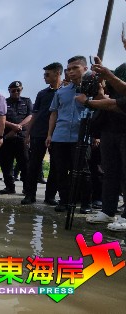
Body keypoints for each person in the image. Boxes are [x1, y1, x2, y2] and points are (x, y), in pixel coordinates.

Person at [84, 53, 126, 231]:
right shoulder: (121, 67)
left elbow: (119, 98)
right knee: (110, 171)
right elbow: (106, 93)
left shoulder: (116, 73)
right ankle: (108, 210)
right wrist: (101, 78)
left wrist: (89, 102)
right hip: (109, 128)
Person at [46, 56, 92, 214]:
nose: (71, 72)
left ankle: (86, 203)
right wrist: (50, 135)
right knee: (60, 170)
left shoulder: (92, 90)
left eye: (75, 68)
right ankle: (64, 201)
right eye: (69, 69)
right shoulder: (62, 92)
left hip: (81, 137)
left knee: (82, 171)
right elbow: (54, 114)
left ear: (85, 69)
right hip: (60, 136)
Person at [21, 62, 62, 205]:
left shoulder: (65, 91)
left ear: (57, 73)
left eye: (47, 74)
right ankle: (29, 195)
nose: (44, 77)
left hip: (58, 134)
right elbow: (34, 114)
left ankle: (50, 196)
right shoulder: (42, 93)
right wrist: (28, 134)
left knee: (55, 166)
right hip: (38, 133)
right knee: (33, 165)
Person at [0, 81, 32, 194]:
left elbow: (31, 116)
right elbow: (1, 118)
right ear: (9, 90)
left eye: (18, 90)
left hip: (22, 138)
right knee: (6, 164)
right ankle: (9, 187)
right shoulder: (4, 102)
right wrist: (12, 126)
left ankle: (27, 188)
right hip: (7, 138)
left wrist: (19, 126)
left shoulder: (26, 101)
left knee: (24, 164)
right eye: (13, 90)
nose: (16, 92)